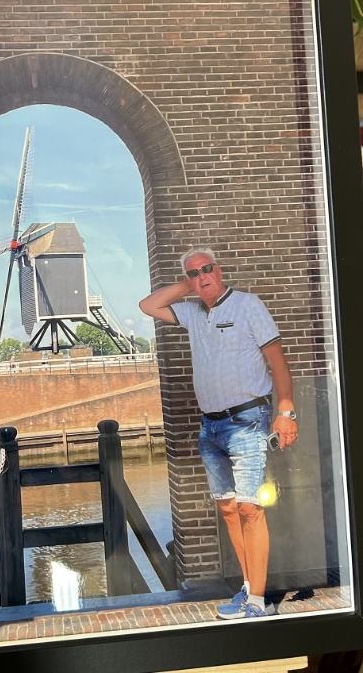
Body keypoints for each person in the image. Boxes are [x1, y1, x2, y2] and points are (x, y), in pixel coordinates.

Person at [139, 246, 298, 620]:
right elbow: (148, 305)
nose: (202, 276)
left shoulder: (248, 306)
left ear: (220, 270)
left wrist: (286, 411)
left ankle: (257, 603)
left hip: (248, 420)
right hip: (210, 428)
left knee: (249, 508)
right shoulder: (192, 312)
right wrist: (189, 285)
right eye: (194, 273)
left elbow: (277, 362)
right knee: (228, 509)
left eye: (207, 269)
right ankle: (248, 588)